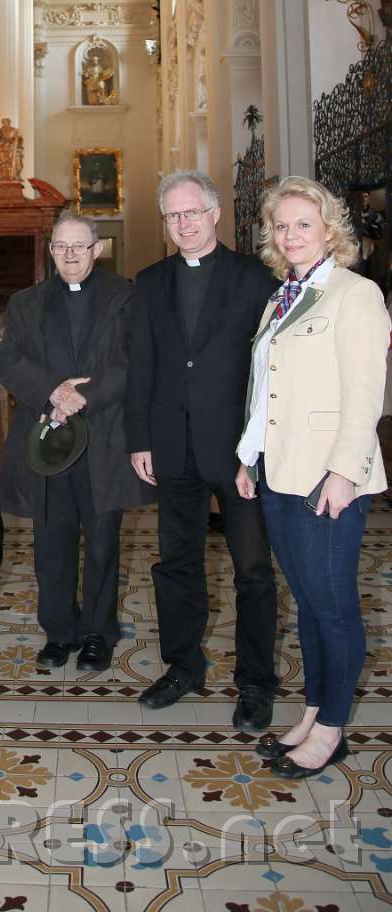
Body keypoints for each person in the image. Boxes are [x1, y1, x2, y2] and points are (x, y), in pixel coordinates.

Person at [236, 176, 389, 777]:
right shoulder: (283, 296)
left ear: (330, 229)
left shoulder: (356, 295)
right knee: (305, 602)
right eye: (282, 225)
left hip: (328, 477)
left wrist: (344, 473)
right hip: (279, 471)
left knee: (333, 606)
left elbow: (364, 394)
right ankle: (314, 710)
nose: (291, 234)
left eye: (304, 223)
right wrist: (250, 457)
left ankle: (332, 729)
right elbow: (265, 391)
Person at [125, 170, 279, 729]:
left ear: (215, 214)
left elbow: (269, 371)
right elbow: (141, 364)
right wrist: (139, 438)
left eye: (191, 213)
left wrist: (258, 447)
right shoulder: (149, 281)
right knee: (177, 562)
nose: (183, 224)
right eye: (172, 215)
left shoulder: (256, 278)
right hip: (173, 446)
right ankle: (182, 665)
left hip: (239, 451)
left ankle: (257, 681)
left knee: (254, 569)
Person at [0, 211, 153, 671]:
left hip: (103, 442)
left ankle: (99, 634)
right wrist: (53, 390)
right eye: (61, 246)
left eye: (78, 247)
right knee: (51, 541)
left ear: (96, 249)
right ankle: (58, 632)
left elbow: (133, 359)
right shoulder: (25, 302)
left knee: (103, 543)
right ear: (50, 250)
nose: (69, 255)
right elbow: (8, 359)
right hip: (48, 443)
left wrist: (85, 395)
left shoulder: (125, 296)